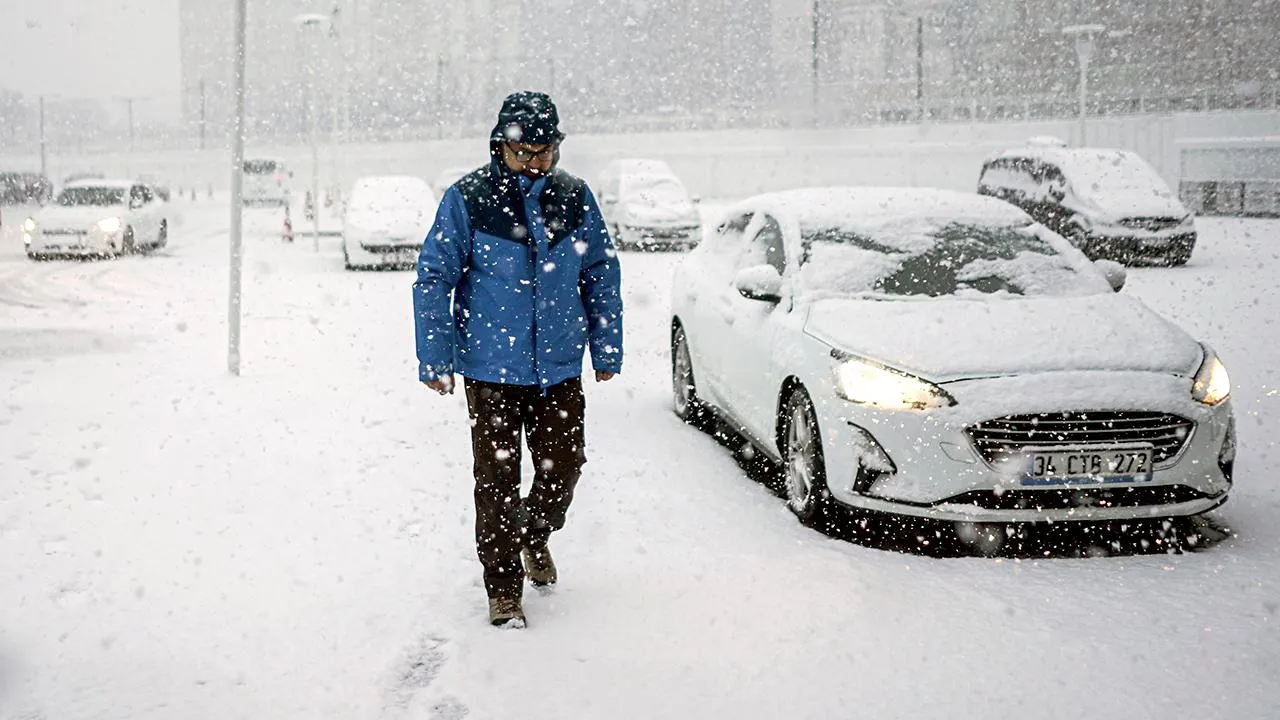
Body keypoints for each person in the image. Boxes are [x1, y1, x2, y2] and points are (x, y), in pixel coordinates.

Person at [412, 91, 623, 628]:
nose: (537, 162)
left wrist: (606, 346)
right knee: (497, 481)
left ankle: (535, 534)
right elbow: (435, 278)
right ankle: (503, 587)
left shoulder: (574, 198)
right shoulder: (468, 199)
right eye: (526, 151)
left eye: (546, 150)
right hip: (491, 371)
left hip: (556, 370)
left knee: (564, 470)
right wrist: (436, 357)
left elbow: (600, 271)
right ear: (499, 146)